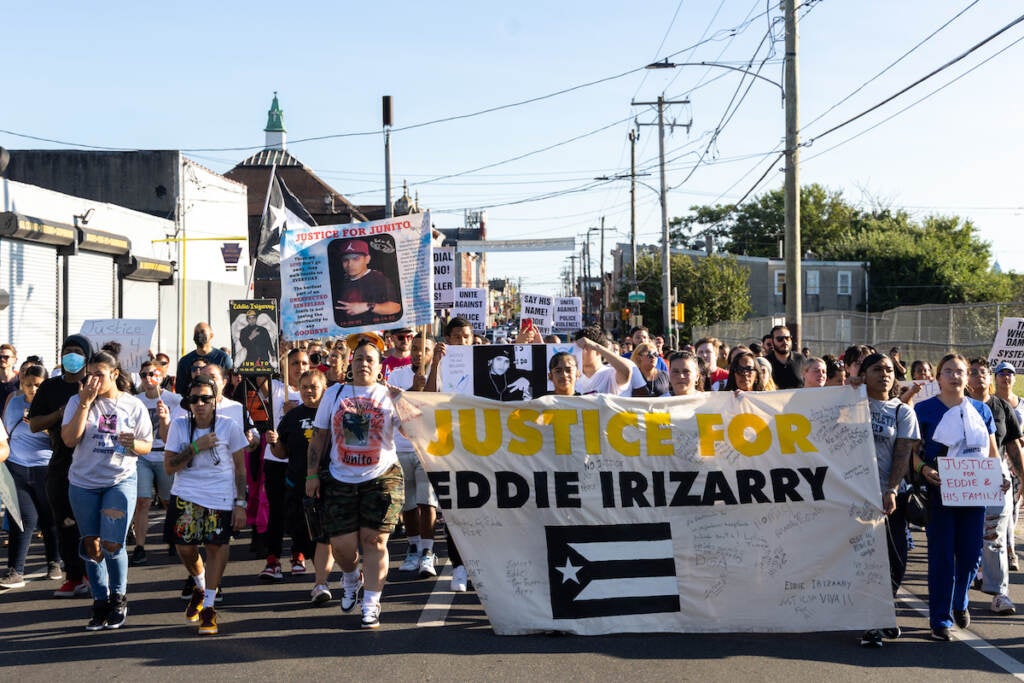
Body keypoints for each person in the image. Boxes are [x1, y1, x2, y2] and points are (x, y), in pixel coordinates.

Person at [306, 334, 406, 628]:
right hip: (340, 479)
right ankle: (351, 577)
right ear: (352, 361)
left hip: (381, 478)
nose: (364, 363)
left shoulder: (390, 396)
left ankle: (371, 603)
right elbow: (320, 436)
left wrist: (404, 403)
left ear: (379, 367)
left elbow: (414, 433)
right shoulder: (334, 393)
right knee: (342, 548)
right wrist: (312, 474)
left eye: (370, 359)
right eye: (359, 358)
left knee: (374, 542)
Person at [912, 353, 1006, 641]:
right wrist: (924, 469)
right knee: (942, 556)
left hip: (973, 493)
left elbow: (991, 451)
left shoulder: (982, 410)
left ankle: (960, 601)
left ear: (967, 378)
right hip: (940, 492)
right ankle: (940, 619)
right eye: (949, 371)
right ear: (938, 377)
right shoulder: (924, 409)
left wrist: (997, 477)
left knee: (969, 556)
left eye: (961, 371)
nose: (955, 376)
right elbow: (912, 452)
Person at [61, 350, 153, 630]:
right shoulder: (77, 401)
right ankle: (99, 601)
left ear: (114, 375)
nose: (93, 380)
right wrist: (85, 405)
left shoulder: (133, 405)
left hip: (119, 480)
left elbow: (145, 446)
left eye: (99, 374)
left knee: (113, 544)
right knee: (92, 545)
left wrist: (131, 444)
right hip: (83, 483)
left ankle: (118, 598)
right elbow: (68, 440)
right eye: (89, 374)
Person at [164, 374, 249, 635]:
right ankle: (199, 584)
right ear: (188, 402)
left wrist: (240, 503)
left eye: (206, 398)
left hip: (220, 496)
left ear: (215, 400)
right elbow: (169, 467)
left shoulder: (228, 425)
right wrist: (195, 447)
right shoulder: (178, 426)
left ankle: (210, 605)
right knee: (185, 549)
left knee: (215, 546)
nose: (200, 403)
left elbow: (240, 468)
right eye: (194, 399)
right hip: (186, 494)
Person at [857, 353, 920, 647]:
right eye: (877, 369)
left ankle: (884, 609)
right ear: (863, 373)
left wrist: (891, 489)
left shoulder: (902, 412)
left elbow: (903, 452)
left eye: (890, 370)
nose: (885, 374)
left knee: (896, 561)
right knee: (864, 561)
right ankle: (873, 621)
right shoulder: (849, 405)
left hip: (890, 496)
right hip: (855, 496)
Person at [29, 334, 95, 598]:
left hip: (91, 463)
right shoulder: (49, 387)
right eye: (67, 351)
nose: (71, 356)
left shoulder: (95, 384)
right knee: (64, 522)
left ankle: (95, 574)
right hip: (60, 462)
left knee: (89, 522)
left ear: (87, 357)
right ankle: (73, 576)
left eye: (77, 351)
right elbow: (34, 424)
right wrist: (60, 413)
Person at [965, 358, 1022, 615]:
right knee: (965, 537)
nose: (978, 377)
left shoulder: (1001, 407)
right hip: (962, 478)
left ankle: (999, 593)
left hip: (994, 478)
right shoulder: (958, 406)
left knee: (994, 536)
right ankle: (958, 593)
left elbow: (1012, 445)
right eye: (972, 373)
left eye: (983, 372)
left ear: (990, 378)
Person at [270, 368, 332, 602]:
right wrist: (274, 443)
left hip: (328, 483)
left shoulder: (332, 412)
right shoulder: (292, 416)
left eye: (313, 387)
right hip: (296, 483)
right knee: (301, 532)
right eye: (304, 386)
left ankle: (322, 581)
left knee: (325, 536)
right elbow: (281, 453)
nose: (308, 391)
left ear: (324, 389)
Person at [0, 365, 61, 589]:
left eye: (37, 385)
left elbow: (61, 439)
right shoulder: (13, 402)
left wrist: (43, 427)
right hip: (17, 467)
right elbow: (5, 431)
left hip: (44, 468)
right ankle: (15, 571)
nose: (32, 389)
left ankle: (54, 562)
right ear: (21, 383)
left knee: (48, 518)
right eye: (28, 384)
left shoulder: (51, 405)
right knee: (22, 519)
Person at [390, 336, 440, 577]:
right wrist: (411, 389)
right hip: (400, 447)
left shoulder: (440, 372)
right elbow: (392, 406)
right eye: (416, 348)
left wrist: (435, 368)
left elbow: (431, 401)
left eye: (426, 349)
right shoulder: (397, 374)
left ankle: (428, 552)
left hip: (427, 448)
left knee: (426, 501)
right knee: (408, 503)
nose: (420, 353)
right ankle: (413, 547)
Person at [128, 359, 181, 566]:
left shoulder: (174, 400)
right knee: (143, 502)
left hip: (165, 454)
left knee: (169, 502)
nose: (149, 378)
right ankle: (140, 547)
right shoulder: (135, 400)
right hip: (142, 455)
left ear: (162, 376)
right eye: (144, 374)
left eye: (154, 374)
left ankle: (173, 537)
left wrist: (165, 419)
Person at [992, 361, 1024, 570]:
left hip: (1017, 460)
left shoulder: (1021, 403)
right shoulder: (990, 403)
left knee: (1013, 508)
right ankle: (998, 550)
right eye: (1002, 373)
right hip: (997, 461)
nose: (1006, 377)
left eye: (1010, 374)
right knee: (998, 509)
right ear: (995, 377)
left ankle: (1010, 550)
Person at [331, 239, 402, 327]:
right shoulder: (341, 281)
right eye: (345, 260)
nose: (350, 264)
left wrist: (367, 306)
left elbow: (395, 307)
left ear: (367, 259)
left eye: (356, 259)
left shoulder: (378, 279)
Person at [175, 323, 233, 400]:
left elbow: (230, 386)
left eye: (202, 332)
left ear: (211, 335)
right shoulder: (185, 361)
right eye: (196, 332)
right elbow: (180, 390)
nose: (199, 335)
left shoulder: (223, 358)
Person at [574, 326, 635, 396]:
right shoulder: (572, 375)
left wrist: (594, 345)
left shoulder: (610, 374)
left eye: (584, 348)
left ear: (598, 351)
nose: (580, 352)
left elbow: (626, 371)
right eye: (578, 348)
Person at [0, 343, 20, 409]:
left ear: (14, 360)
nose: (2, 359)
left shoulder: (21, 381)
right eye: (0, 357)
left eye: (6, 357)